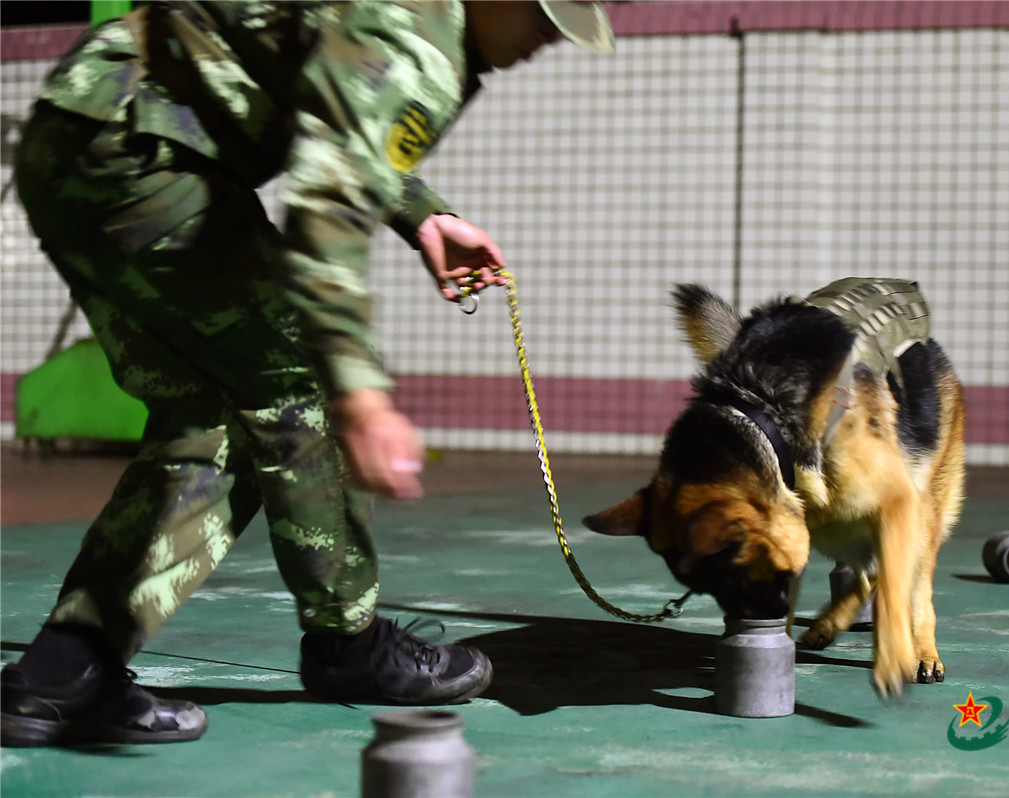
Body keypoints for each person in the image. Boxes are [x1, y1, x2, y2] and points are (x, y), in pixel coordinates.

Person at [0, 0, 614, 748]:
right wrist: (359, 395)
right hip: (143, 160)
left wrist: (421, 215)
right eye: (545, 21)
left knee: (212, 415)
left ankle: (60, 676)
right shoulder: (414, 37)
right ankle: (347, 644)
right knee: (300, 387)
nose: (545, 42)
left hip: (83, 140)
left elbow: (331, 119)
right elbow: (326, 209)